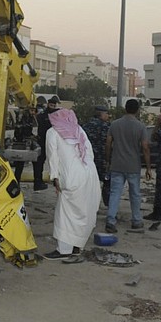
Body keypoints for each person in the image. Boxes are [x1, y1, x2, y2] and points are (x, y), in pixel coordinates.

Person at [42, 108, 101, 260]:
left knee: (66, 214)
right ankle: (77, 247)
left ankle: (64, 250)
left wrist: (55, 178)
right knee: (84, 211)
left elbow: (52, 158)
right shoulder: (78, 129)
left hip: (71, 177)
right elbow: (89, 152)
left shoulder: (53, 132)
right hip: (89, 175)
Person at [104, 99, 152, 233]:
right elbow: (145, 147)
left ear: (125, 108)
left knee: (115, 193)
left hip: (117, 164)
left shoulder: (114, 124)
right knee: (135, 194)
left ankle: (110, 220)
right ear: (137, 110)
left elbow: (108, 144)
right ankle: (136, 220)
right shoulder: (140, 126)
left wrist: (108, 161)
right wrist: (148, 167)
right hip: (133, 165)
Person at [82, 105, 111, 207]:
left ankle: (89, 204)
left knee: (89, 183)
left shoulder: (85, 126)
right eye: (107, 113)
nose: (108, 116)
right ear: (101, 114)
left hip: (88, 160)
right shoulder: (107, 127)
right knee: (107, 182)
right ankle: (108, 204)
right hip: (103, 159)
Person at [34, 95, 61, 191]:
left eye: (54, 105)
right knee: (40, 162)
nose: (52, 107)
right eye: (51, 105)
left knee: (53, 162)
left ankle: (52, 180)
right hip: (44, 142)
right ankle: (38, 181)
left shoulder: (55, 115)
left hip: (51, 143)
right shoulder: (44, 116)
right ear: (49, 104)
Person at [12, 106, 40, 186]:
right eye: (31, 110)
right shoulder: (24, 118)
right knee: (20, 164)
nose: (33, 113)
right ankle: (16, 182)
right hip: (22, 143)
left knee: (32, 162)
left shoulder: (31, 118)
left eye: (34, 111)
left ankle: (36, 181)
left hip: (26, 142)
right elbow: (20, 131)